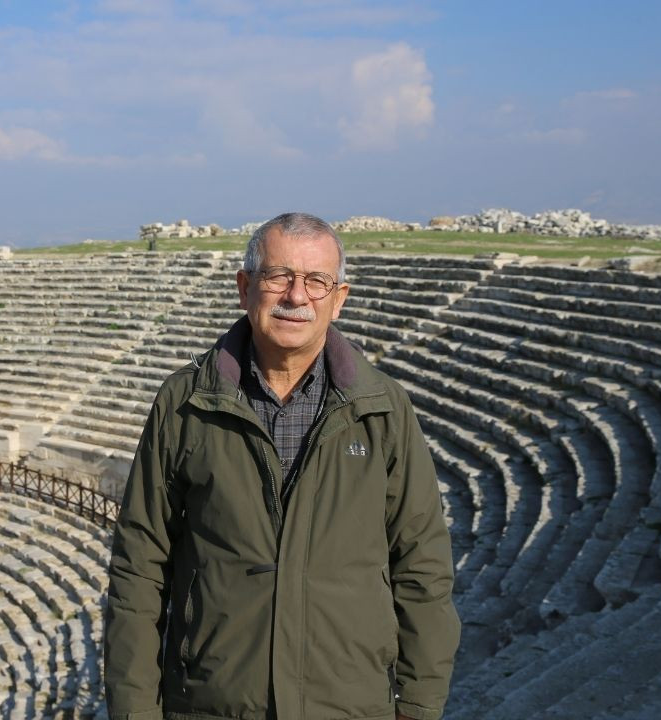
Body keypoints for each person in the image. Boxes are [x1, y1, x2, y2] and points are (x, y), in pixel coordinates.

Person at [104, 212, 459, 720]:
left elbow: (422, 566)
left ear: (339, 299)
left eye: (317, 281)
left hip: (349, 706)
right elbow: (138, 569)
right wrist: (135, 710)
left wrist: (419, 705)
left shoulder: (383, 408)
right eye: (278, 277)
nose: (297, 297)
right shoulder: (185, 403)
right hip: (211, 703)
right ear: (245, 287)